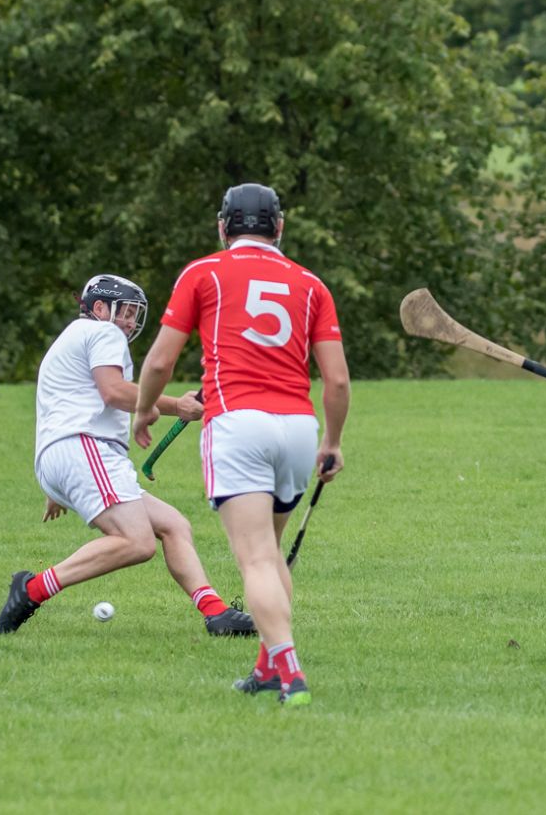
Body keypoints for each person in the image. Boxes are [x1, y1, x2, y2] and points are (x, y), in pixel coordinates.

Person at [133, 183, 350, 708]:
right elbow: (337, 382)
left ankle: (291, 672)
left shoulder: (203, 273)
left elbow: (160, 362)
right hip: (297, 428)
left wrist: (144, 409)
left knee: (254, 560)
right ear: (279, 227)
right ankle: (268, 667)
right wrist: (333, 441)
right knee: (270, 554)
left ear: (221, 226)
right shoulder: (311, 284)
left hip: (237, 425)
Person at [0, 274, 256, 638]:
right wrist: (173, 405)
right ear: (99, 308)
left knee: (173, 524)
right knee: (137, 542)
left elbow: (77, 402)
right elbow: (113, 392)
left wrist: (58, 486)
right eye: (127, 312)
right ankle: (32, 589)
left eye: (136, 314)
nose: (131, 322)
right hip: (83, 449)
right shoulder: (103, 333)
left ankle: (216, 614)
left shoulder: (71, 337)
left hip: (68, 455)